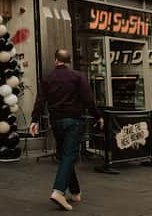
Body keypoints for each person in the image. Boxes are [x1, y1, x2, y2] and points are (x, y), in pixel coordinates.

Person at [30, 49, 103, 211]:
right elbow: (88, 99)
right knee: (69, 155)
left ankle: (75, 192)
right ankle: (58, 191)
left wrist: (34, 120)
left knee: (65, 155)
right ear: (69, 61)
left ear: (56, 60)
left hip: (56, 122)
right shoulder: (78, 76)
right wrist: (98, 116)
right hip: (73, 121)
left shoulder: (48, 78)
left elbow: (40, 100)